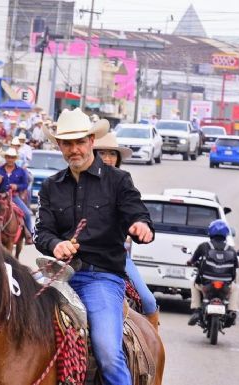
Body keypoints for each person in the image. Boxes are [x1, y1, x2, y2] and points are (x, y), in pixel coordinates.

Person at [34, 108, 154, 385]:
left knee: (108, 353)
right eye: (67, 143)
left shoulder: (118, 180)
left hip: (100, 277)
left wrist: (140, 225)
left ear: (91, 141)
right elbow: (41, 233)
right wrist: (56, 244)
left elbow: (137, 211)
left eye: (79, 142)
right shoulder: (51, 187)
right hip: (56, 275)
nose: (74, 149)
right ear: (60, 146)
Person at [93, 133, 160, 330]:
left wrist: (140, 224)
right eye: (102, 153)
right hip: (79, 257)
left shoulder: (123, 183)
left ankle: (153, 351)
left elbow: (136, 209)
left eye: (112, 154)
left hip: (116, 256)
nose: (107, 158)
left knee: (147, 301)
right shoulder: (78, 183)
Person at [186, 219, 239, 327]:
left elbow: (193, 260)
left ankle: (196, 310)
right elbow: (236, 265)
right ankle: (232, 311)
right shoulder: (231, 249)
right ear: (226, 234)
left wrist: (190, 262)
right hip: (225, 286)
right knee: (235, 288)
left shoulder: (204, 246)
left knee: (193, 284)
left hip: (207, 285)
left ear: (210, 232)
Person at [0, 148, 34, 243]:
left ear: (15, 159)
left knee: (26, 213)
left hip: (14, 197)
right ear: (5, 157)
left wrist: (16, 186)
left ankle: (29, 234)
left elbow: (25, 185)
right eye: (8, 157)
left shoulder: (21, 171)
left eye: (12, 157)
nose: (10, 159)